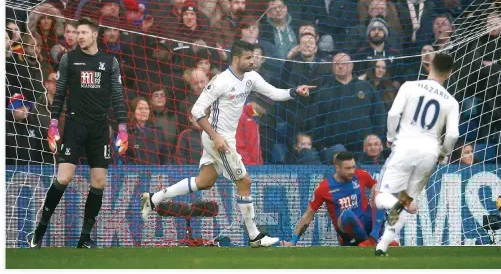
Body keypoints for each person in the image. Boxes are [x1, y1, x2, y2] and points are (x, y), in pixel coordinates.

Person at [139, 40, 315, 248]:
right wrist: (216, 137)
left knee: (204, 181)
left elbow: (274, 93)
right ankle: (255, 237)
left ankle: (153, 198)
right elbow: (196, 111)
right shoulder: (221, 81)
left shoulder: (251, 77)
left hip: (224, 137)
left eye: (254, 57)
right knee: (245, 182)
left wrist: (295, 90)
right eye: (249, 58)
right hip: (218, 138)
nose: (253, 61)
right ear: (236, 58)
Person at [28, 17, 127, 249]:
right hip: (74, 125)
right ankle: (38, 232)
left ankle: (84, 238)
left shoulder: (110, 61)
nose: (79, 36)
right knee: (63, 177)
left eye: (83, 32)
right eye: (76, 33)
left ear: (94, 35)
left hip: (100, 129)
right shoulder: (68, 59)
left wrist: (122, 128)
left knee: (99, 182)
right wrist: (53, 123)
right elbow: (60, 93)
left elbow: (118, 97)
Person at [373, 52, 460, 256]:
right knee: (404, 201)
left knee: (380, 199)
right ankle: (382, 245)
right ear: (448, 74)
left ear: (429, 66)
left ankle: (392, 214)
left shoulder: (409, 86)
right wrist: (444, 153)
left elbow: (393, 113)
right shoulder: (451, 101)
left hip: (405, 147)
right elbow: (453, 134)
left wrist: (391, 136)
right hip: (429, 154)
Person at [281, 151, 413, 247]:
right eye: (348, 168)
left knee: (379, 194)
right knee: (347, 213)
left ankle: (374, 239)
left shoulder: (361, 175)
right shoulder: (324, 187)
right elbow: (308, 215)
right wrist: (293, 241)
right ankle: (372, 240)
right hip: (347, 233)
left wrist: (375, 189)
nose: (352, 171)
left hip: (367, 223)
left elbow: (379, 186)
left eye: (353, 167)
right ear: (337, 168)